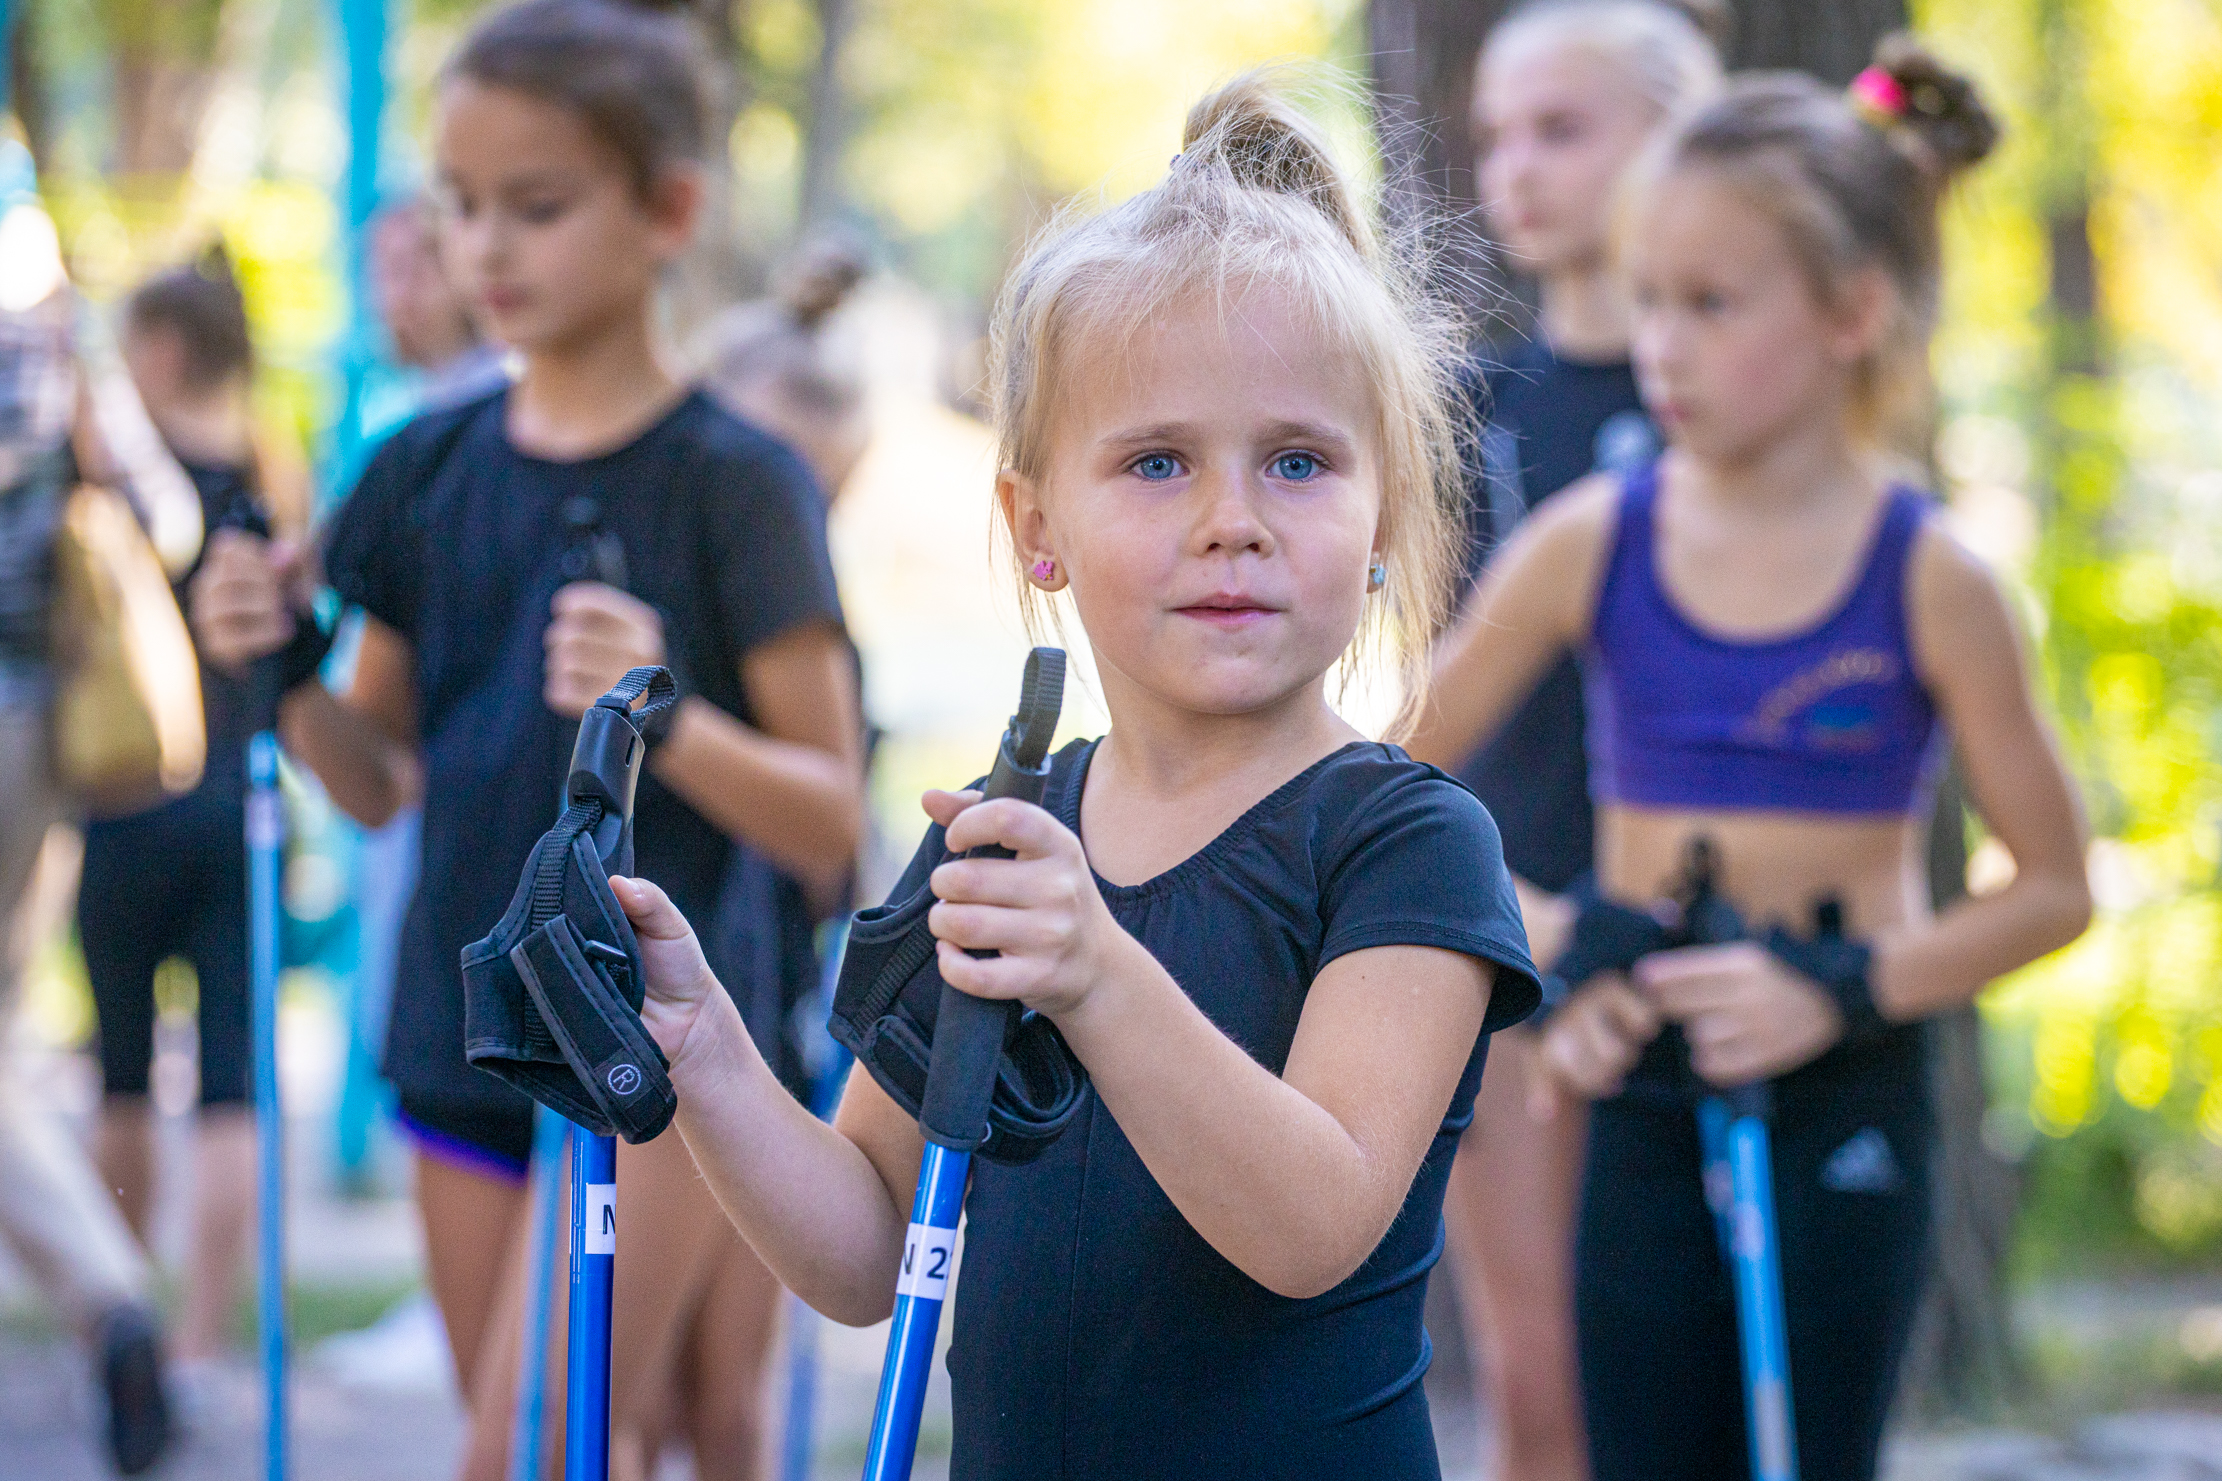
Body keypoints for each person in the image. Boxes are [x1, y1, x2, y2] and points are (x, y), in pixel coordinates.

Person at [609, 75, 1544, 1478]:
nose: (1231, 521)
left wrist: (1094, 971)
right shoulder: (1002, 844)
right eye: (1157, 463)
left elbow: (1314, 1226)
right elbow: (866, 1245)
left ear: (1384, 515)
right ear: (1035, 524)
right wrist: (704, 1052)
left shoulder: (1406, 841)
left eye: (1297, 462)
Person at [186, 3, 866, 1476]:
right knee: (578, 1442)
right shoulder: (422, 464)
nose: (485, 247)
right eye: (462, 202)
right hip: (461, 1014)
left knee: (537, 1446)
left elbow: (830, 817)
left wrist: (668, 710)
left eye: (537, 206)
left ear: (666, 210)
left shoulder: (736, 484)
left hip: (658, 1034)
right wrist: (281, 665)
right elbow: (375, 785)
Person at [1408, 38, 2091, 1481]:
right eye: (1648, 297)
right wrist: (1565, 940)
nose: (1660, 344)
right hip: (1637, 1078)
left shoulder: (1932, 578)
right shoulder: (1590, 541)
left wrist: (1837, 987)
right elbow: (1389, 789)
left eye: (1709, 304)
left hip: (1850, 1081)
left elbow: (2053, 888)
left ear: (1851, 311)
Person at [1443, 7, 1724, 1479]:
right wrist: (1528, 918)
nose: (1516, 168)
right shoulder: (1469, 407)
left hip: (1726, 949)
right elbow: (1414, 706)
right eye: (1496, 135)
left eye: (1560, 128)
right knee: (1539, 1387)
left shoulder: (1744, 397)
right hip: (1521, 933)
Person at [81, 247, 307, 1398]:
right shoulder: (274, 476)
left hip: (127, 805)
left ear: (164, 352)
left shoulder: (117, 477)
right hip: (245, 808)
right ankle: (201, 1336)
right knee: (231, 1086)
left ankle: (120, 1322)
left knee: (123, 1071)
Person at [0, 136, 185, 1474]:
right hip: (37, 737)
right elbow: (168, 520)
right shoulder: (63, 350)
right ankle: (111, 1305)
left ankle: (112, 1296)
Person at [701, 236, 869, 507]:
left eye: (832, 279)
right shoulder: (742, 330)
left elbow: (851, 439)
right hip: (722, 476)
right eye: (814, 271)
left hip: (791, 492)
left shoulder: (841, 359)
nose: (818, 283)